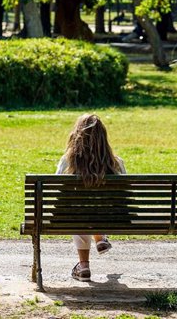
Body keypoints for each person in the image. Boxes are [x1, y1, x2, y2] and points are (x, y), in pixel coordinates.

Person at [55, 113, 126, 282]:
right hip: (111, 218)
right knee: (94, 209)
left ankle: (84, 266)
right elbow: (123, 196)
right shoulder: (116, 162)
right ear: (104, 138)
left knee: (78, 212)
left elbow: (58, 191)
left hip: (78, 218)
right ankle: (100, 236)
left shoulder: (68, 161)